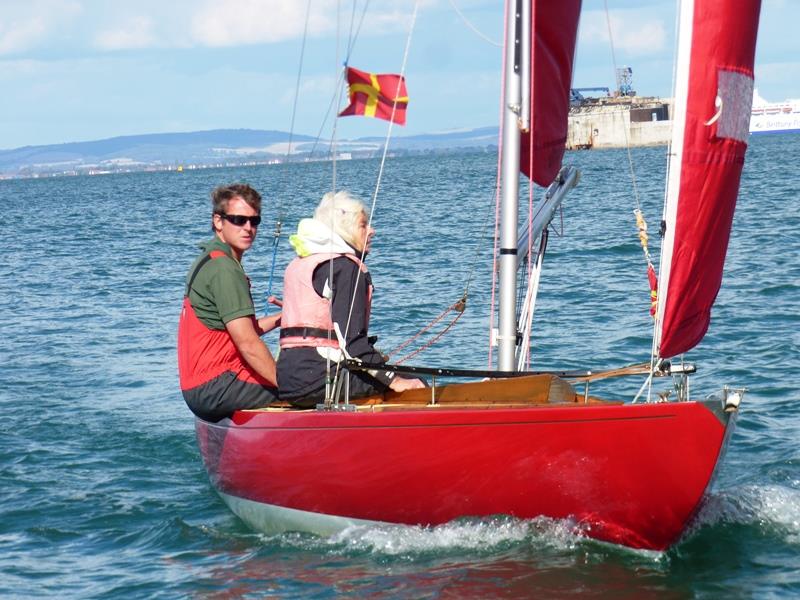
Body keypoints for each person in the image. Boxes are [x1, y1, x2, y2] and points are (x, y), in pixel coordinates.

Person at [277, 190, 425, 407]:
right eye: (363, 225)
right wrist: (396, 381)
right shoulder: (346, 269)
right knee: (416, 382)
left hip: (288, 378)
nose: (372, 231)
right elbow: (352, 344)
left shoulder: (302, 263)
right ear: (344, 231)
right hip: (320, 379)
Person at [177, 183, 280, 422]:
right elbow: (247, 344)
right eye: (238, 220)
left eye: (254, 222)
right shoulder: (224, 269)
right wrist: (289, 384)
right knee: (310, 385)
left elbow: (234, 332)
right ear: (218, 221)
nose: (248, 228)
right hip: (217, 385)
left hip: (199, 388)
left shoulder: (209, 259)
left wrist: (281, 319)